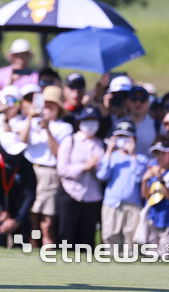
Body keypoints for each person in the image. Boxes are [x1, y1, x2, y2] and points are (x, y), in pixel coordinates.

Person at [18, 86, 73, 247]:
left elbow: (58, 154)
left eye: (51, 105)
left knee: (47, 222)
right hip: (29, 171)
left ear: (58, 108)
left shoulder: (64, 127)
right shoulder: (30, 122)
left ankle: (47, 248)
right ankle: (34, 249)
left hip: (49, 174)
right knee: (32, 220)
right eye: (45, 104)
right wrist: (29, 118)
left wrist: (48, 130)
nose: (47, 108)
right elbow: (21, 143)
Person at [0, 131, 36, 247]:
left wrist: (17, 220)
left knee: (22, 244)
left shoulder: (26, 165)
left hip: (18, 210)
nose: (17, 155)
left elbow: (31, 194)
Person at [96, 120, 148, 253]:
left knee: (131, 243)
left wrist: (133, 155)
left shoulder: (141, 159)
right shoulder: (111, 157)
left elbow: (139, 177)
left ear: (134, 139)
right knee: (110, 239)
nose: (123, 141)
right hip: (112, 205)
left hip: (133, 206)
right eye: (120, 137)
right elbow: (102, 175)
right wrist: (108, 151)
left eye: (127, 137)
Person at [57, 106, 105, 250]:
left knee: (86, 241)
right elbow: (62, 169)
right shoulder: (70, 140)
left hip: (92, 197)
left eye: (93, 120)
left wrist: (96, 168)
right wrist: (84, 166)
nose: (90, 124)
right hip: (71, 192)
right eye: (87, 120)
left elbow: (103, 173)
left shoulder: (100, 144)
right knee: (66, 238)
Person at [142, 139, 169, 255]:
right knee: (150, 254)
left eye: (163, 153)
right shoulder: (151, 171)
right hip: (152, 218)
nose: (159, 157)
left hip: (167, 220)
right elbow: (146, 196)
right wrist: (144, 181)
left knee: (164, 255)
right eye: (156, 154)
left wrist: (161, 180)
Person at [125, 86, 163, 155]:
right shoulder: (118, 124)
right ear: (127, 101)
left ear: (148, 103)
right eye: (134, 99)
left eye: (142, 99)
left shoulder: (157, 125)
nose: (138, 102)